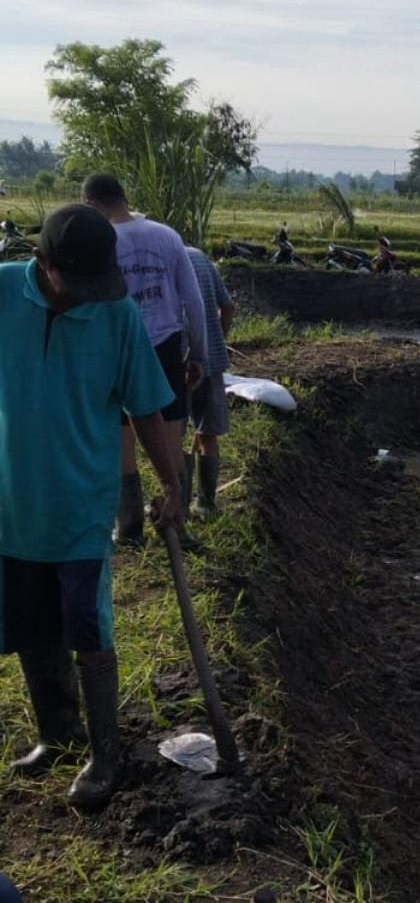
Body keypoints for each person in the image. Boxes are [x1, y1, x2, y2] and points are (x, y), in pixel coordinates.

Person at [0, 204, 183, 808]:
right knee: (30, 621)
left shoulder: (117, 312)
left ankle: (106, 755)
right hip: (13, 501)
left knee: (86, 619)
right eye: (76, 282)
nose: (89, 295)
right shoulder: (3, 293)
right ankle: (57, 732)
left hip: (82, 502)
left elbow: (145, 407)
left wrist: (172, 484)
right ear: (41, 263)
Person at [81, 174, 207, 546]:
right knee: (169, 436)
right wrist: (197, 353)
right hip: (164, 345)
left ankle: (129, 527)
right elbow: (194, 302)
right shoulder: (167, 236)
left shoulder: (101, 241)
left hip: (116, 346)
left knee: (122, 438)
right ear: (124, 197)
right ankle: (178, 524)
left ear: (92, 204)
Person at [184, 246, 234, 517]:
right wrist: (217, 340)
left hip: (179, 361)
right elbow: (227, 306)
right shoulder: (199, 257)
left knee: (172, 435)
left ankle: (178, 504)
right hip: (211, 360)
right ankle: (206, 504)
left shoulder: (161, 261)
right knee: (208, 432)